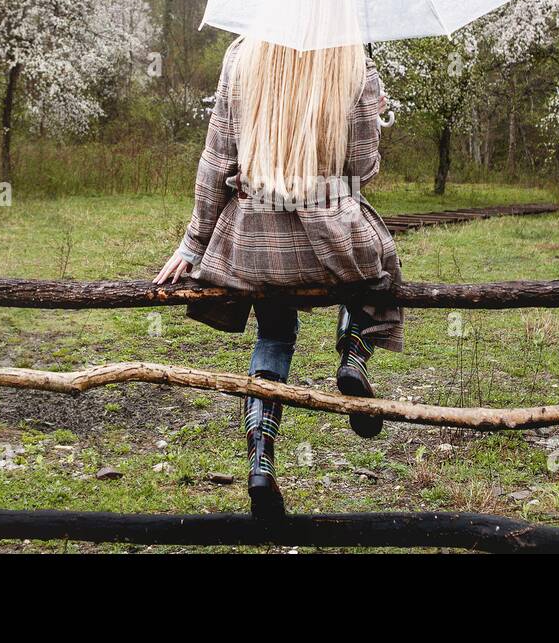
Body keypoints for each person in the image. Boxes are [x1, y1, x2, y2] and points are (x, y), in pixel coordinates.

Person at [154, 34, 403, 519]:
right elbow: (359, 172)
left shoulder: (242, 57)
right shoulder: (353, 61)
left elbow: (215, 159)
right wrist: (373, 108)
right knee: (378, 269)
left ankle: (261, 461)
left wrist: (193, 242)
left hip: (256, 240)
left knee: (274, 333)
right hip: (329, 236)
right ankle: (354, 358)